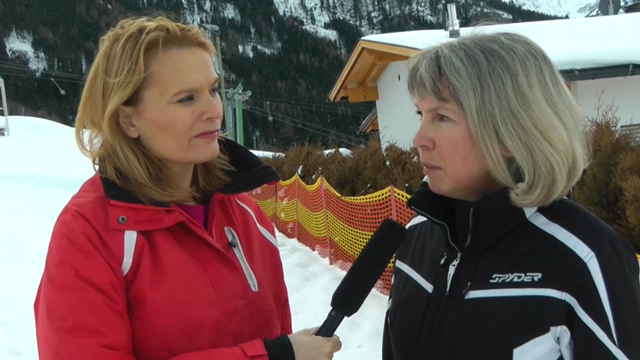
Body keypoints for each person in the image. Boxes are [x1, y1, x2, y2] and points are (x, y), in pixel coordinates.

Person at [34, 16, 341, 360]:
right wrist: (273, 356)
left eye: (212, 90)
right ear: (128, 120)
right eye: (186, 99)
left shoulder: (247, 216)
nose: (213, 111)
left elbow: (274, 333)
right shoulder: (88, 233)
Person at [383, 31, 640, 360]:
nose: (419, 139)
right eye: (421, 114)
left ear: (510, 130)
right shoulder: (416, 237)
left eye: (442, 117)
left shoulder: (586, 259)